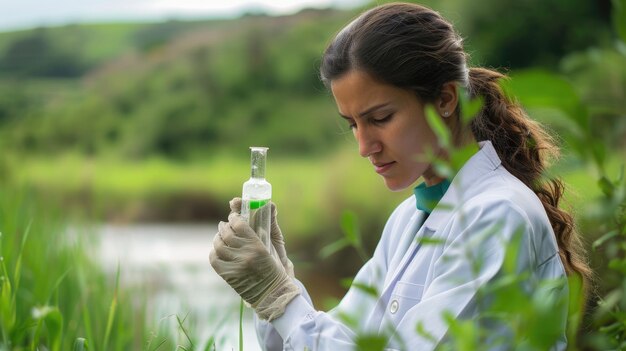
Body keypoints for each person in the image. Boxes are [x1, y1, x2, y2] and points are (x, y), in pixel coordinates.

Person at [209, 3, 591, 350]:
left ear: (445, 99)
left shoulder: (499, 215)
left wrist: (281, 297)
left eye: (380, 119)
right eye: (353, 125)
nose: (364, 146)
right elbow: (342, 340)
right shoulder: (408, 219)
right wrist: (275, 285)